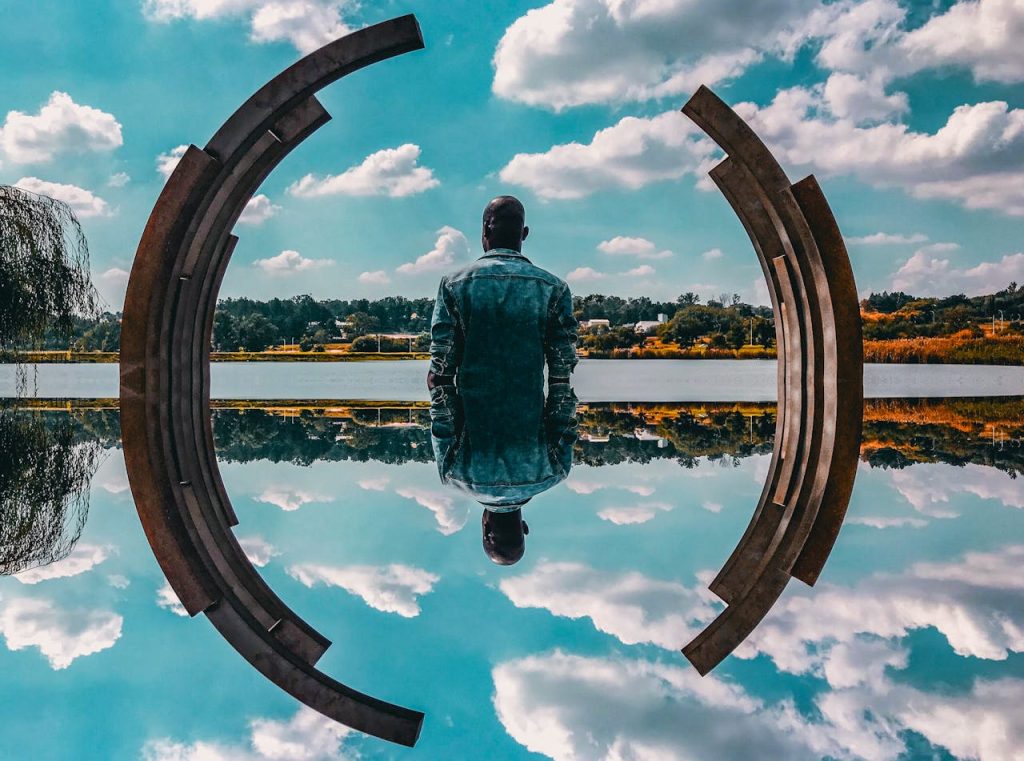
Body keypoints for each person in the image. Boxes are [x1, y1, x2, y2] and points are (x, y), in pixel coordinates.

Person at [427, 195, 579, 563]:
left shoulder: (454, 284)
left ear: (484, 232)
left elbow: (441, 369)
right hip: (529, 395)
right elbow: (562, 371)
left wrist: (438, 384)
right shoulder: (553, 288)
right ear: (524, 234)